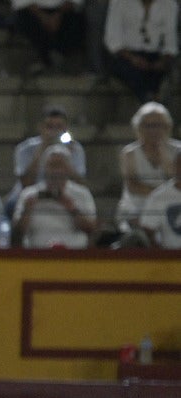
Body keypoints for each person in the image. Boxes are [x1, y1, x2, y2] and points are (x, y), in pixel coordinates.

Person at [13, 144, 99, 248]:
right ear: (44, 168)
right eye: (52, 165)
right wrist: (27, 210)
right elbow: (17, 233)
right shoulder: (28, 194)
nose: (56, 170)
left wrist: (72, 209)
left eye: (60, 165)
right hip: (37, 256)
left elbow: (92, 229)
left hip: (74, 255)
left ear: (68, 169)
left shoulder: (82, 194)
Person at [7, 105, 88, 212]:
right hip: (30, 194)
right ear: (41, 127)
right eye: (50, 127)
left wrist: (65, 159)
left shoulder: (75, 149)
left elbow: (80, 183)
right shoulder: (25, 148)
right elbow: (26, 183)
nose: (54, 131)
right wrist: (42, 148)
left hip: (63, 193)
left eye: (59, 127)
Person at [117, 103, 181, 233]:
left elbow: (177, 181)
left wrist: (163, 155)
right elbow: (133, 186)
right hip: (137, 206)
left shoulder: (178, 151)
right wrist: (160, 196)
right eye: (149, 126)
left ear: (167, 127)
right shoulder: (129, 153)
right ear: (139, 128)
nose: (154, 130)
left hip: (172, 205)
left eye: (159, 125)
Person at [102, 0, 178, 101]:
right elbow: (112, 40)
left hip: (155, 55)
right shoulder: (118, 2)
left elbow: (170, 44)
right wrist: (133, 59)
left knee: (159, 73)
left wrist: (162, 61)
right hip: (125, 55)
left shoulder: (169, 4)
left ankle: (152, 100)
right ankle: (150, 99)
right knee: (129, 71)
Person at [12, 0, 87, 72]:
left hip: (63, 11)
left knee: (77, 21)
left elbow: (75, 2)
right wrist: (43, 17)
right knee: (24, 21)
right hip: (34, 11)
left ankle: (62, 56)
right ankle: (45, 59)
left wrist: (58, 15)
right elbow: (21, 3)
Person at [137, 150, 181, 246]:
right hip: (170, 257)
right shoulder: (158, 197)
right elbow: (147, 230)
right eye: (180, 165)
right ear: (174, 167)